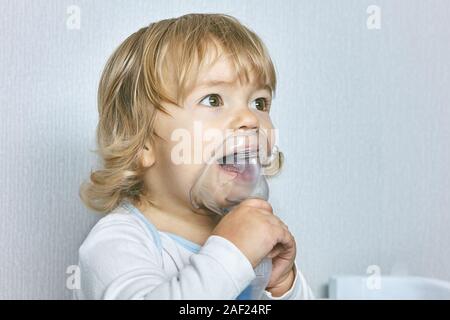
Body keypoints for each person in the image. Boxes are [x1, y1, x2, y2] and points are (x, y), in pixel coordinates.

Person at [76, 13, 313, 300]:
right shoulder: (117, 243)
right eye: (213, 99)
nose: (251, 119)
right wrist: (231, 253)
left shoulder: (249, 239)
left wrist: (284, 286)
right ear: (142, 142)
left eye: (259, 102)